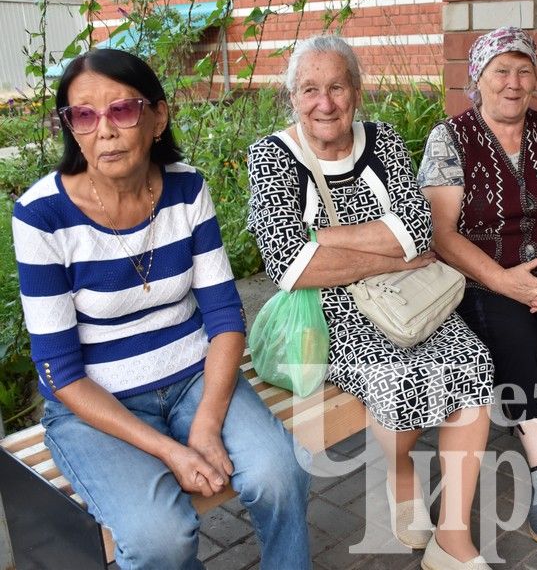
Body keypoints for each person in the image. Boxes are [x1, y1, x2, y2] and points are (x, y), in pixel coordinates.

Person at [12, 49, 311, 569]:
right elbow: (60, 371)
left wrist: (205, 426)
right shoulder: (41, 216)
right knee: (160, 538)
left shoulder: (186, 187)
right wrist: (172, 451)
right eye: (83, 115)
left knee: (279, 473)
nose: (103, 130)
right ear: (70, 128)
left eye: (122, 110)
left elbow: (223, 318)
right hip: (97, 408)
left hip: (194, 379)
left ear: (157, 117)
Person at [246, 35, 495, 570]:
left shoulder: (381, 141)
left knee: (473, 364)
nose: (325, 103)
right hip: (328, 316)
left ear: (356, 90)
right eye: (309, 90)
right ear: (293, 97)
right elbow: (288, 266)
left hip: (409, 300)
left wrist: (323, 240)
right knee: (396, 381)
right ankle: (401, 475)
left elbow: (419, 229)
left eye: (336, 86)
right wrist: (389, 251)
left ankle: (452, 539)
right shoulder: (272, 156)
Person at [418, 26, 537, 547]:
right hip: (485, 278)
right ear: (478, 78)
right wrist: (502, 281)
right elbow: (442, 232)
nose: (513, 83)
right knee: (514, 336)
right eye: (501, 70)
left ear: (536, 79)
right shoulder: (449, 138)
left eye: (524, 71)